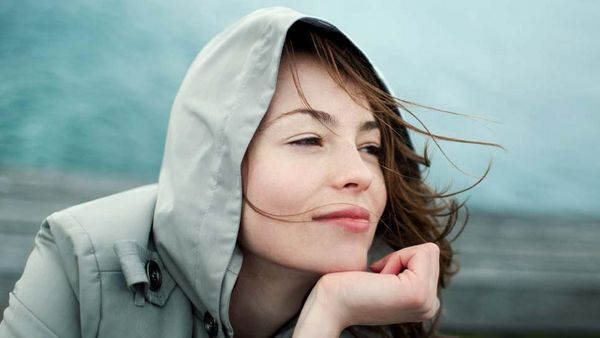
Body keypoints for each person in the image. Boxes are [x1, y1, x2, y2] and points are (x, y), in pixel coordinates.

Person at [0, 7, 478, 338]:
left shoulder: (387, 303)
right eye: (308, 139)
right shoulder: (81, 260)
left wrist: (333, 310)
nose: (361, 174)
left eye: (370, 146)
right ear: (218, 162)